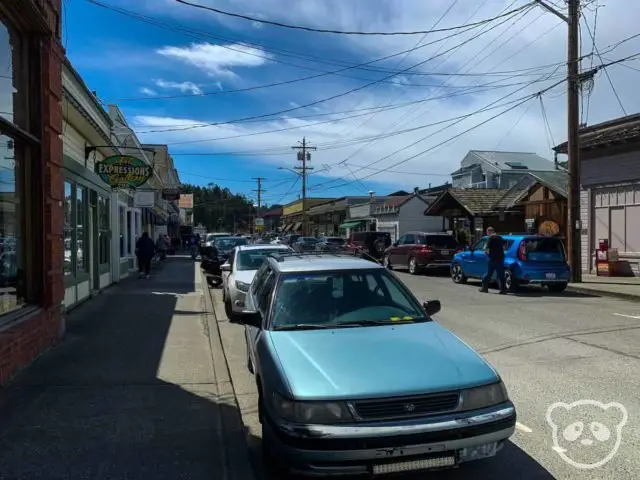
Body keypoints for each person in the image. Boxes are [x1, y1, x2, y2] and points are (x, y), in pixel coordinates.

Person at [480, 226, 507, 294]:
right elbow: (504, 246)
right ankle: (503, 290)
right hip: (500, 258)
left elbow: (486, 250)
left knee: (488, 274)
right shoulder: (499, 237)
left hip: (493, 259)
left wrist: (488, 255)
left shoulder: (490, 238)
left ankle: (484, 288)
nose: (487, 234)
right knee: (501, 274)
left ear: (489, 232)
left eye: (487, 232)